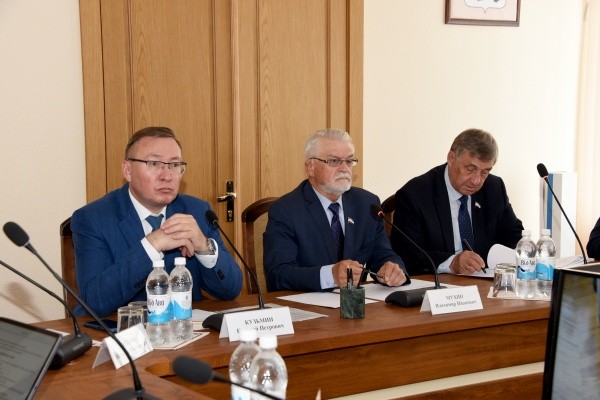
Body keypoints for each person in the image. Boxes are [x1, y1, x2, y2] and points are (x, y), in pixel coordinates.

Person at [71, 127, 243, 317]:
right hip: (122, 330)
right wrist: (151, 246)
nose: (167, 176)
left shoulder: (197, 211)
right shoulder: (93, 218)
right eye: (154, 164)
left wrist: (204, 247)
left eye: (175, 165)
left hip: (184, 328)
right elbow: (93, 302)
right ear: (127, 170)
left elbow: (231, 290)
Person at [263, 128, 409, 291]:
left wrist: (391, 269)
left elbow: (382, 254)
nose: (344, 168)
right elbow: (277, 275)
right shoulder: (286, 210)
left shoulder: (367, 204)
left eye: (349, 161)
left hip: (356, 303)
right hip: (308, 303)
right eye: (334, 161)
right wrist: (330, 276)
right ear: (310, 167)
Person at [390, 128, 524, 276]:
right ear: (451, 158)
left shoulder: (494, 188)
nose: (476, 180)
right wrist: (452, 263)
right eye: (470, 169)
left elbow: (514, 235)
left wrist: (527, 251)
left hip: (484, 284)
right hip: (438, 284)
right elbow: (407, 254)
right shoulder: (415, 195)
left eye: (484, 172)